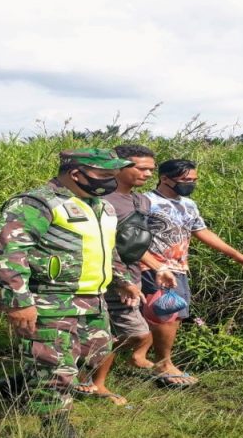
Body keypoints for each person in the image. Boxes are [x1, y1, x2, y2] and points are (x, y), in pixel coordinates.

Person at [0, 148, 143, 438]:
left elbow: (107, 249)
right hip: (50, 298)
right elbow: (8, 251)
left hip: (92, 299)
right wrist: (18, 301)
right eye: (104, 174)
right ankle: (56, 426)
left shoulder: (101, 206)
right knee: (55, 366)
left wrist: (123, 280)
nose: (112, 180)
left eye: (113, 174)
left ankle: (15, 386)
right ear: (76, 174)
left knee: (94, 353)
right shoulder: (37, 203)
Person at [141, 159, 243, 388]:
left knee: (174, 314)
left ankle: (148, 359)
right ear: (165, 178)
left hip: (179, 267)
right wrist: (150, 264)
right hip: (154, 267)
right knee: (164, 314)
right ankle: (163, 364)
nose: (191, 184)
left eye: (194, 180)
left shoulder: (189, 204)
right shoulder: (146, 202)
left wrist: (237, 255)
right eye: (185, 180)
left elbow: (201, 231)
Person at [74, 144, 175, 404]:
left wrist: (159, 267)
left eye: (151, 169)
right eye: (141, 168)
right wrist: (121, 280)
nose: (148, 174)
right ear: (118, 167)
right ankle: (91, 381)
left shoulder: (142, 201)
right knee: (119, 333)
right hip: (105, 278)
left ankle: (86, 376)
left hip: (131, 277)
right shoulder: (100, 201)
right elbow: (100, 244)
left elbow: (133, 244)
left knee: (122, 334)